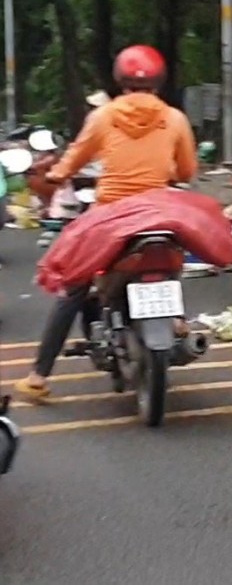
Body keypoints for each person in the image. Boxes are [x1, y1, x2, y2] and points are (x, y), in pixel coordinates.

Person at [15, 45, 199, 403]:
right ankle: (177, 319)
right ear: (160, 81)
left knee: (75, 285)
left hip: (111, 217)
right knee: (171, 255)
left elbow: (72, 161)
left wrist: (55, 175)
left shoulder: (103, 117)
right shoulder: (174, 119)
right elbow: (188, 171)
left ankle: (38, 377)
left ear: (119, 79)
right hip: (159, 214)